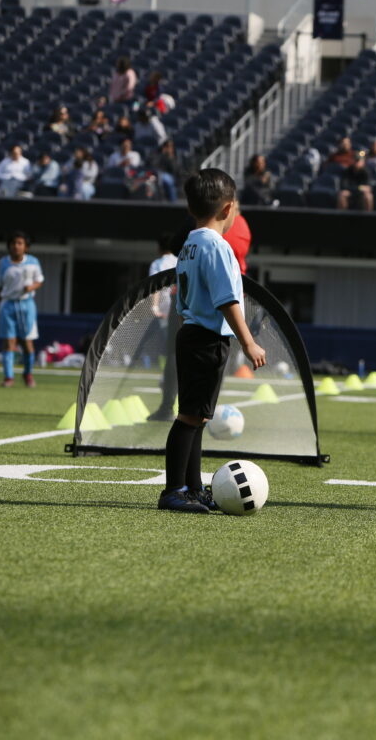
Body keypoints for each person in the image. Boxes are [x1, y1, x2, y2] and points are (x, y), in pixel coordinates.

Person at [160, 169, 265, 513]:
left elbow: (185, 299)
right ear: (228, 209)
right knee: (189, 418)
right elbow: (226, 300)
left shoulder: (190, 242)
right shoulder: (217, 246)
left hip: (192, 333)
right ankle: (173, 491)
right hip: (206, 339)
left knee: (198, 416)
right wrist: (248, 341)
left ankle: (193, 488)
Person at [0, 231, 44, 388]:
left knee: (27, 342)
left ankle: (27, 374)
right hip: (8, 304)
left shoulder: (33, 261)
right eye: (13, 243)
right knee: (9, 342)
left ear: (26, 247)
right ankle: (9, 377)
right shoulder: (4, 263)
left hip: (26, 305)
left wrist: (31, 287)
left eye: (20, 243)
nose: (16, 246)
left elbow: (40, 280)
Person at [147, 233, 181, 421]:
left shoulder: (158, 263)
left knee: (169, 353)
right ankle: (170, 382)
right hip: (181, 310)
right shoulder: (180, 260)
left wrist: (154, 307)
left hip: (166, 314)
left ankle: (168, 382)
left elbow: (155, 287)